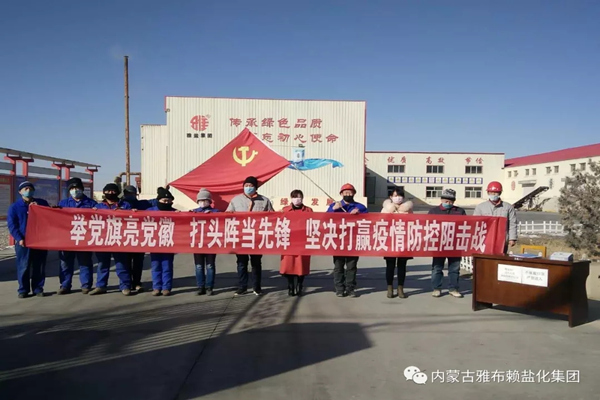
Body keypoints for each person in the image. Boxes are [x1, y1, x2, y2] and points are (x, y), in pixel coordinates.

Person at [226, 176, 274, 296]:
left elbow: (272, 216)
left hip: (257, 237)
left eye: (251, 186)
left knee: (256, 263)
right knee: (241, 263)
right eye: (246, 185)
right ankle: (242, 287)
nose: (248, 188)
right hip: (241, 236)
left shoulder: (264, 200)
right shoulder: (236, 200)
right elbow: (227, 215)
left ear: (255, 187)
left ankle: (256, 287)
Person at [7, 181, 50, 298]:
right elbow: (12, 225)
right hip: (24, 241)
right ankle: (23, 289)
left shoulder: (42, 203)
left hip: (39, 241)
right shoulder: (15, 207)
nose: (28, 190)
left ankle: (38, 288)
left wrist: (39, 208)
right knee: (23, 266)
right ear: (20, 192)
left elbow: (50, 217)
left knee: (39, 266)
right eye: (25, 189)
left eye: (30, 188)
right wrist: (19, 238)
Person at [326, 183, 368, 298]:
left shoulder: (360, 207)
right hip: (338, 240)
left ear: (354, 193)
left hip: (353, 241)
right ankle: (339, 288)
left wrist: (359, 215)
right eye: (345, 192)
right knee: (338, 267)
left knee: (351, 267)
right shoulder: (335, 205)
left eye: (350, 192)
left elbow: (369, 220)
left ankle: (350, 288)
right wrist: (333, 209)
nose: (348, 194)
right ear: (341, 194)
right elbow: (325, 218)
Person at [90, 183, 132, 296]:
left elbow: (132, 219)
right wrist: (92, 212)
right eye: (108, 191)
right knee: (102, 264)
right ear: (104, 192)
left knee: (122, 264)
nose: (110, 193)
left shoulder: (125, 205)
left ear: (118, 192)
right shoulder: (98, 206)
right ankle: (101, 286)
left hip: (119, 239)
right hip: (103, 239)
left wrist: (124, 212)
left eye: (113, 191)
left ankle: (125, 286)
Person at [57, 177, 97, 295]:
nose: (75, 190)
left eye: (77, 188)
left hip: (84, 237)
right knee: (65, 263)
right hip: (66, 238)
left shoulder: (91, 203)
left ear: (82, 189)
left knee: (85, 262)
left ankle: (86, 285)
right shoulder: (63, 203)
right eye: (72, 188)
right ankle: (65, 285)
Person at [427, 188, 465, 298]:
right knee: (437, 267)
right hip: (439, 244)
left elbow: (466, 225)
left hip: (455, 244)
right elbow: (427, 226)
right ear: (441, 200)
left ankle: (453, 288)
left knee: (454, 268)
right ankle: (436, 288)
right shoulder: (434, 211)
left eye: (451, 201)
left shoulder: (460, 211)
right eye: (446, 201)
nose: (448, 203)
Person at [381, 188, 414, 299]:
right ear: (391, 197)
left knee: (402, 266)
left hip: (404, 241)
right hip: (390, 241)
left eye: (400, 196)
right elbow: (381, 223)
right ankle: (390, 288)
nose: (398, 198)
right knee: (390, 266)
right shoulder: (386, 209)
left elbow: (413, 224)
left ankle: (400, 288)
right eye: (395, 196)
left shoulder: (408, 209)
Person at [280, 190, 313, 296]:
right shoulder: (285, 210)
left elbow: (313, 224)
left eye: (299, 197)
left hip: (303, 242)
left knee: (301, 265)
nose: (297, 199)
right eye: (295, 197)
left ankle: (299, 285)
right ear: (291, 198)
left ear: (302, 198)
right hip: (288, 241)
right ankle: (290, 286)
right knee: (288, 265)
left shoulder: (308, 210)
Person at [148, 187, 177, 296]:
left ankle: (166, 287)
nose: (166, 203)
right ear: (158, 200)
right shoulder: (150, 211)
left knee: (167, 266)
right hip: (154, 243)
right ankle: (156, 287)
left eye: (168, 201)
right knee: (155, 266)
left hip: (168, 243)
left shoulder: (175, 212)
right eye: (164, 201)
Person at [122, 185, 152, 292]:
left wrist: (164, 191)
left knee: (138, 263)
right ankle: (127, 284)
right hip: (124, 238)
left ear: (136, 194)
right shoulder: (120, 205)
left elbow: (158, 202)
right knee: (125, 263)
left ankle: (137, 283)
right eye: (128, 193)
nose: (130, 195)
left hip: (139, 237)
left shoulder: (142, 204)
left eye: (132, 193)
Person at [474, 181, 518, 254]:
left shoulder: (508, 207)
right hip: (485, 240)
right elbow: (476, 224)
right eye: (491, 193)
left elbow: (512, 224)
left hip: (502, 240)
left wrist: (512, 238)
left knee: (500, 259)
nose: (493, 195)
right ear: (488, 193)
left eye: (495, 193)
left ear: (500, 193)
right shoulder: (480, 207)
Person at [192, 188, 220, 296]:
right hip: (197, 243)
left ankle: (209, 287)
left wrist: (212, 214)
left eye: (205, 200)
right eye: (200, 200)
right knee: (198, 266)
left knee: (210, 266)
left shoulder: (216, 212)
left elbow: (223, 219)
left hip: (211, 243)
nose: (203, 202)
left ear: (209, 201)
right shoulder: (193, 212)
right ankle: (200, 287)